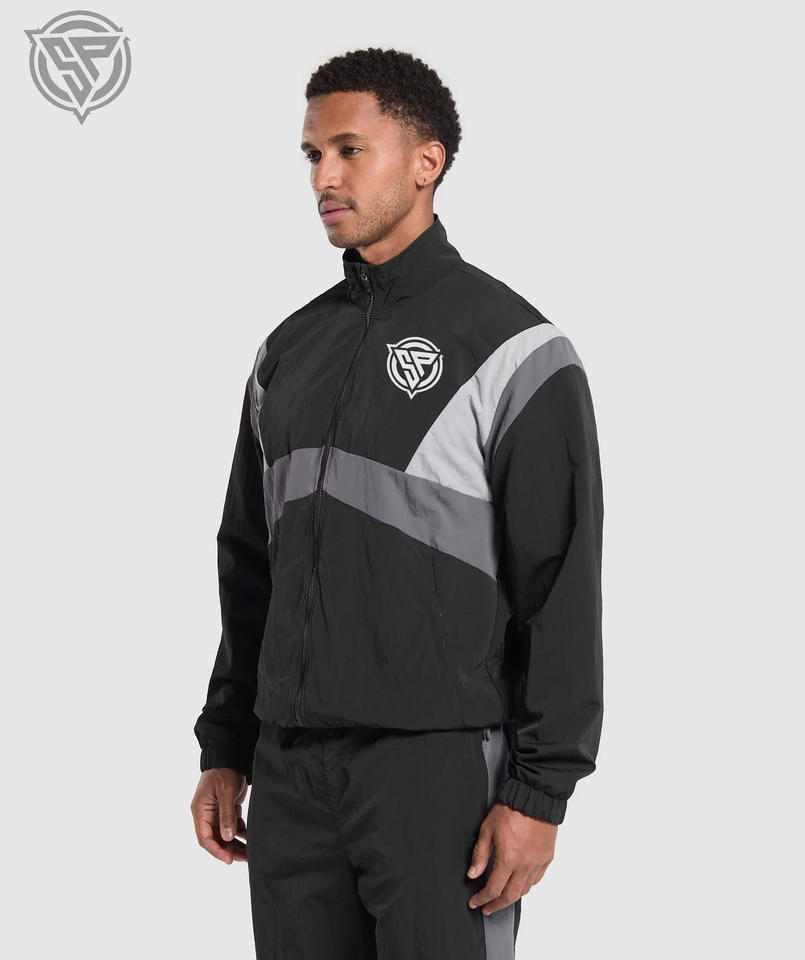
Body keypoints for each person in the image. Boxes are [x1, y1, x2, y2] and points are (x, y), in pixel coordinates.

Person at [190, 46, 604, 960]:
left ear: (426, 161)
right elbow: (249, 562)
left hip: (435, 770)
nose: (323, 179)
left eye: (349, 150)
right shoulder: (286, 353)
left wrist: (539, 794)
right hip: (290, 774)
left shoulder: (514, 351)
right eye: (311, 155)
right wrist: (225, 743)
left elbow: (559, 584)